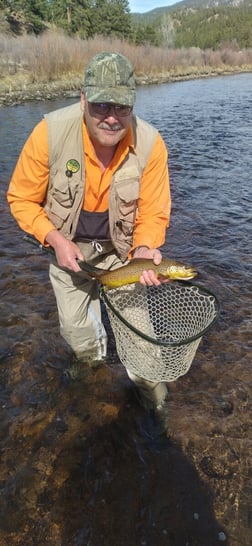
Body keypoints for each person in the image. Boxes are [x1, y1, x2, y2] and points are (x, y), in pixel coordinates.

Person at [7, 52, 171, 418]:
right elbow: (21, 198)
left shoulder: (150, 145)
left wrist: (145, 247)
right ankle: (94, 372)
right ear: (83, 98)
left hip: (123, 255)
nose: (111, 116)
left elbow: (154, 210)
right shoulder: (48, 134)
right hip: (67, 253)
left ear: (132, 104)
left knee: (144, 349)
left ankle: (155, 410)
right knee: (80, 338)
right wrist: (54, 239)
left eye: (121, 105)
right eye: (100, 104)